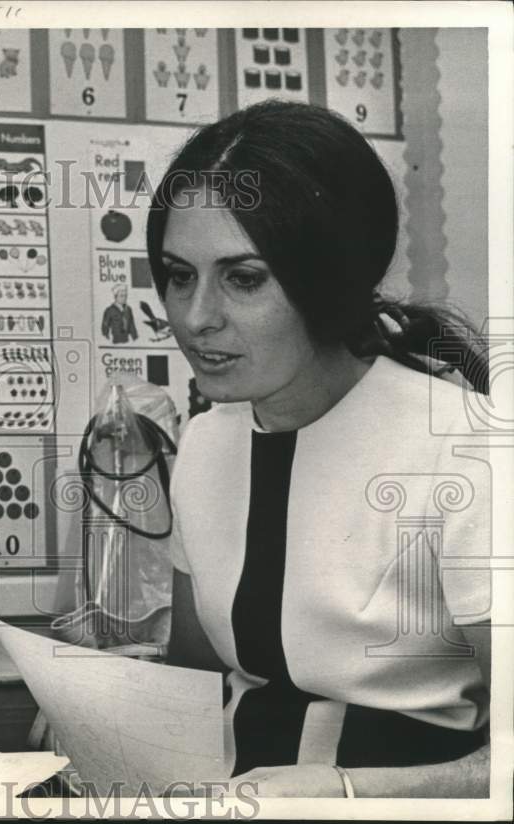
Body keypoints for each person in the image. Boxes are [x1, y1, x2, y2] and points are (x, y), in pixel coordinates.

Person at [147, 101, 492, 797]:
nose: (196, 317)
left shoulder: (466, 448)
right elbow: (193, 686)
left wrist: (348, 794)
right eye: (180, 275)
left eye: (244, 278)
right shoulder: (205, 445)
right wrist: (97, 711)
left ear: (330, 280)